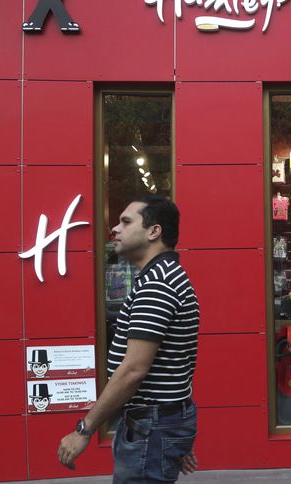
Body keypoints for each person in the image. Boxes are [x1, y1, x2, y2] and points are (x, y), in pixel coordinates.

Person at [57, 195, 200, 482]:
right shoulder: (165, 276)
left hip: (152, 426)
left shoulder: (157, 283)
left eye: (125, 221)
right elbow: (174, 361)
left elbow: (134, 369)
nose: (115, 229)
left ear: (153, 231)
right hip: (158, 426)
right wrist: (173, 434)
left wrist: (84, 429)